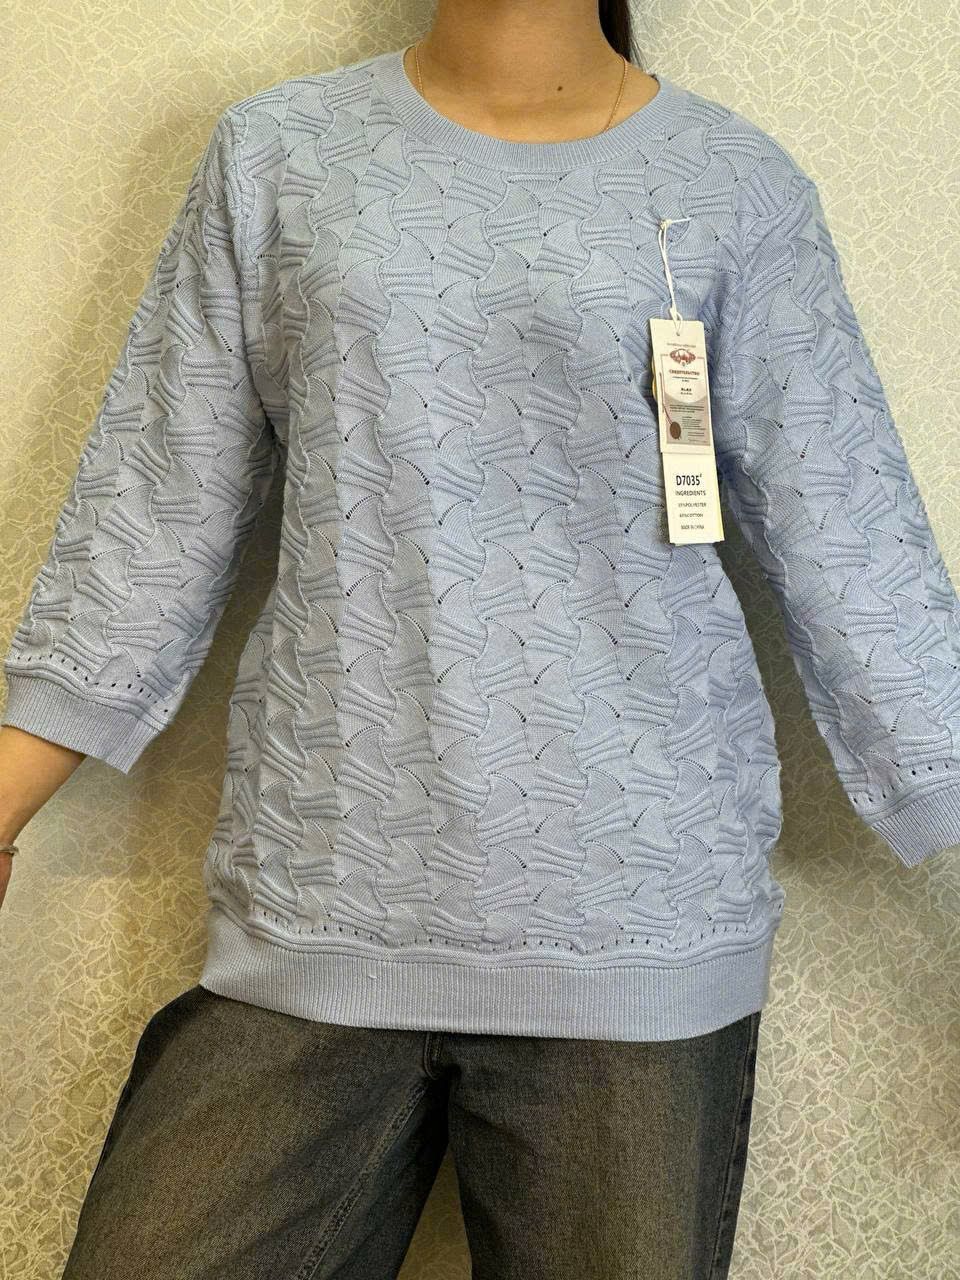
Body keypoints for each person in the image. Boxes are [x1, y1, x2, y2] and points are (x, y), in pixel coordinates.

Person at [2, 2, 957, 1277]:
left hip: (637, 920)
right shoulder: (279, 152)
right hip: (324, 899)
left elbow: (854, 535)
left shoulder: (734, 183)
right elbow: (155, 501)